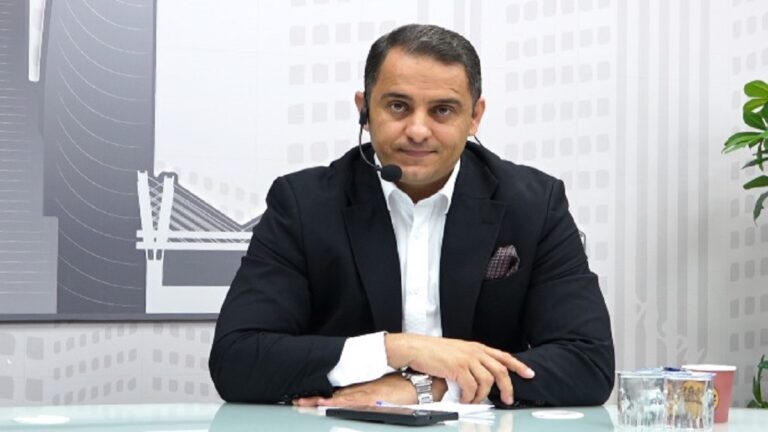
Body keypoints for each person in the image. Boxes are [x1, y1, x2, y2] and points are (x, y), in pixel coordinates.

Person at [209, 24, 614, 408]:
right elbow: (237, 359)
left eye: (442, 110)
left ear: (474, 117)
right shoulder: (303, 204)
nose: (418, 130)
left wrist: (431, 386)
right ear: (364, 110)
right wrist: (397, 349)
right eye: (398, 106)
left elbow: (587, 363)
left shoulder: (534, 204)